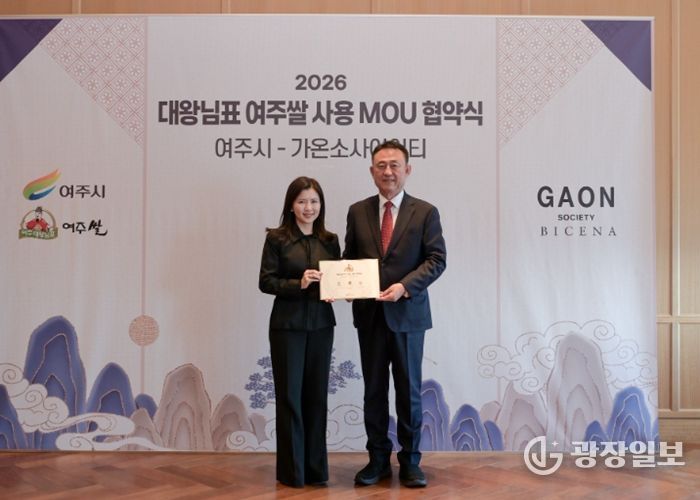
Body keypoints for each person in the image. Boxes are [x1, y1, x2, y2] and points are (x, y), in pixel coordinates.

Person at [343, 139, 447, 488]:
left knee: (409, 391)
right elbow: (350, 258)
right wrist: (343, 284)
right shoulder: (358, 211)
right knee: (373, 391)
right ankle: (377, 460)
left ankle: (411, 461)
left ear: (407, 169)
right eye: (381, 166)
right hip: (370, 316)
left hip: (408, 316)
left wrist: (405, 286)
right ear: (372, 171)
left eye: (394, 165)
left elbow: (436, 260)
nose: (388, 171)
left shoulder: (426, 212)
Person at [259, 176, 340, 488]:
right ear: (291, 205)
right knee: (290, 397)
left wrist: (336, 290)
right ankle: (293, 473)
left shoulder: (330, 240)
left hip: (322, 325)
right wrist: (299, 283)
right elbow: (266, 281)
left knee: (317, 397)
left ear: (321, 205)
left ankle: (316, 471)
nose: (309, 207)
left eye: (314, 201)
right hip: (287, 327)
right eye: (302, 201)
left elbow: (338, 277)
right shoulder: (277, 239)